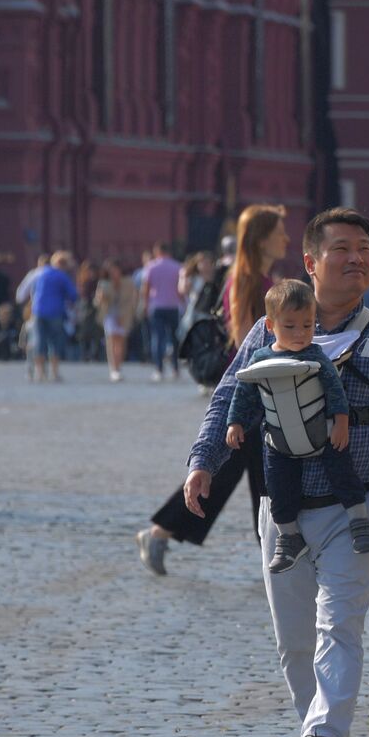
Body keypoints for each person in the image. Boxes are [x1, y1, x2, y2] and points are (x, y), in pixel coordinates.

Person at [183, 207, 369, 737]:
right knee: (295, 640)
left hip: (355, 510)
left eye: (365, 249)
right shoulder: (267, 331)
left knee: (339, 626)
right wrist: (203, 462)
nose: (357, 258)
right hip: (281, 510)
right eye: (342, 249)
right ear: (310, 262)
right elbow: (229, 396)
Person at [134, 204, 289, 575]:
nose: (286, 237)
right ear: (263, 239)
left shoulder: (253, 278)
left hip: (256, 394)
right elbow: (253, 343)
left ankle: (162, 532)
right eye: (280, 231)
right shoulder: (253, 282)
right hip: (253, 394)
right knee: (251, 473)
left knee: (249, 473)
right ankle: (276, 554)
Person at [223, 279, 369, 573]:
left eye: (307, 326)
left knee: (342, 471)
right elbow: (243, 393)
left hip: (322, 432)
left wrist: (341, 422)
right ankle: (288, 536)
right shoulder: (260, 358)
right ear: (270, 326)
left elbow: (335, 390)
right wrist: (235, 423)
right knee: (277, 487)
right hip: (279, 442)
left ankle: (359, 520)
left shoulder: (316, 355)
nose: (300, 334)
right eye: (290, 326)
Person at [29, 251, 78, 383]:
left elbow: (32, 291)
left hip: (38, 311)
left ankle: (39, 374)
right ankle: (54, 373)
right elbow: (73, 295)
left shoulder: (40, 273)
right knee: (55, 342)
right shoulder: (61, 276)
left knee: (39, 341)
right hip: (55, 312)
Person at [140, 241, 185, 381]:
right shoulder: (178, 266)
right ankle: (175, 369)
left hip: (157, 306)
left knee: (157, 338)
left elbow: (146, 288)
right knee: (174, 338)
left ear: (157, 251)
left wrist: (145, 305)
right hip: (173, 306)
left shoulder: (151, 267)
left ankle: (159, 369)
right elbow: (180, 290)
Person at [95, 258, 138, 382]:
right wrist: (101, 297)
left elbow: (132, 300)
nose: (114, 273)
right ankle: (113, 368)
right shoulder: (104, 284)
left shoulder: (128, 283)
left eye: (116, 270)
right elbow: (98, 302)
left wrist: (127, 314)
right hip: (109, 314)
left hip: (124, 315)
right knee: (112, 340)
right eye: (111, 271)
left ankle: (118, 366)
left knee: (121, 342)